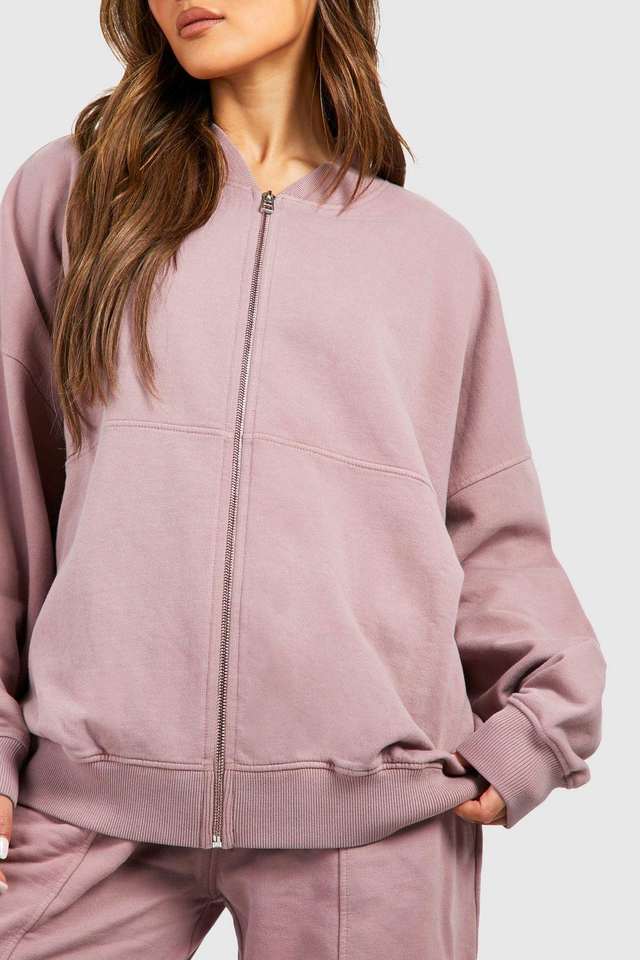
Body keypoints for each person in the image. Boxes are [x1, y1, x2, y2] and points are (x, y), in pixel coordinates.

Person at [0, 1, 606, 957]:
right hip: (90, 801)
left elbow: (490, 523)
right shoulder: (73, 194)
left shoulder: (434, 257)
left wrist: (535, 726)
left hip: (376, 821)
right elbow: (8, 486)